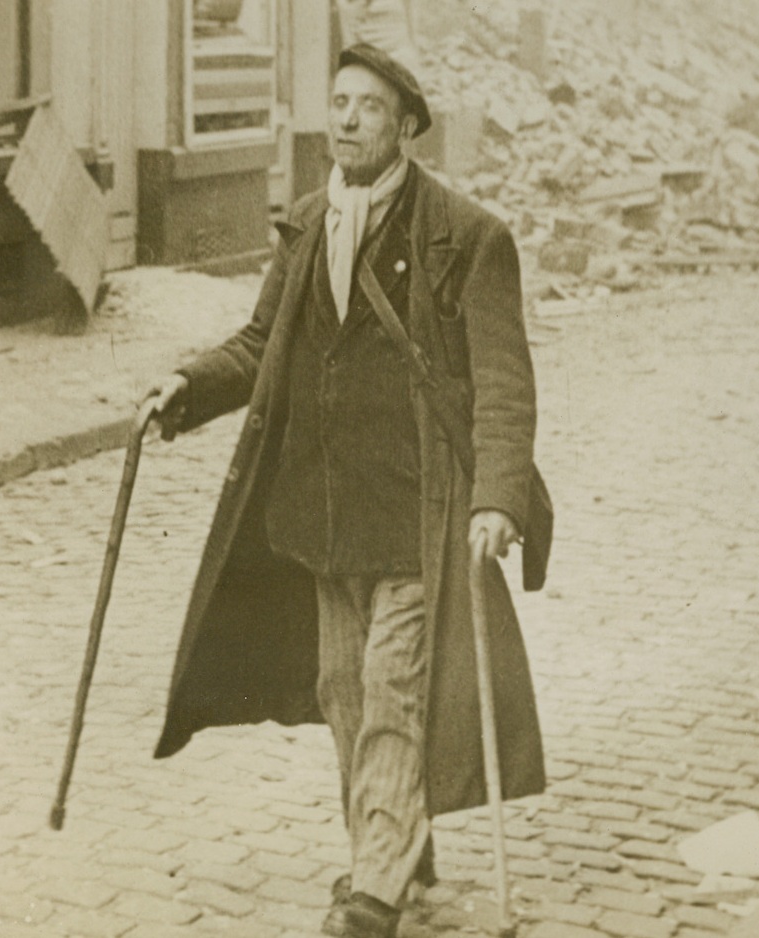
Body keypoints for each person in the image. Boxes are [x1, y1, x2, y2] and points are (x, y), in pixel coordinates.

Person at [145, 43, 548, 938]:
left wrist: (498, 497)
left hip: (417, 511)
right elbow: (262, 345)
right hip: (322, 514)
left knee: (395, 688)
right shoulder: (305, 222)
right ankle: (404, 851)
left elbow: (503, 382)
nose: (348, 118)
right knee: (344, 689)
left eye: (369, 105)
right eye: (339, 101)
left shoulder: (465, 235)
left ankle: (373, 889)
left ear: (406, 126)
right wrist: (187, 387)